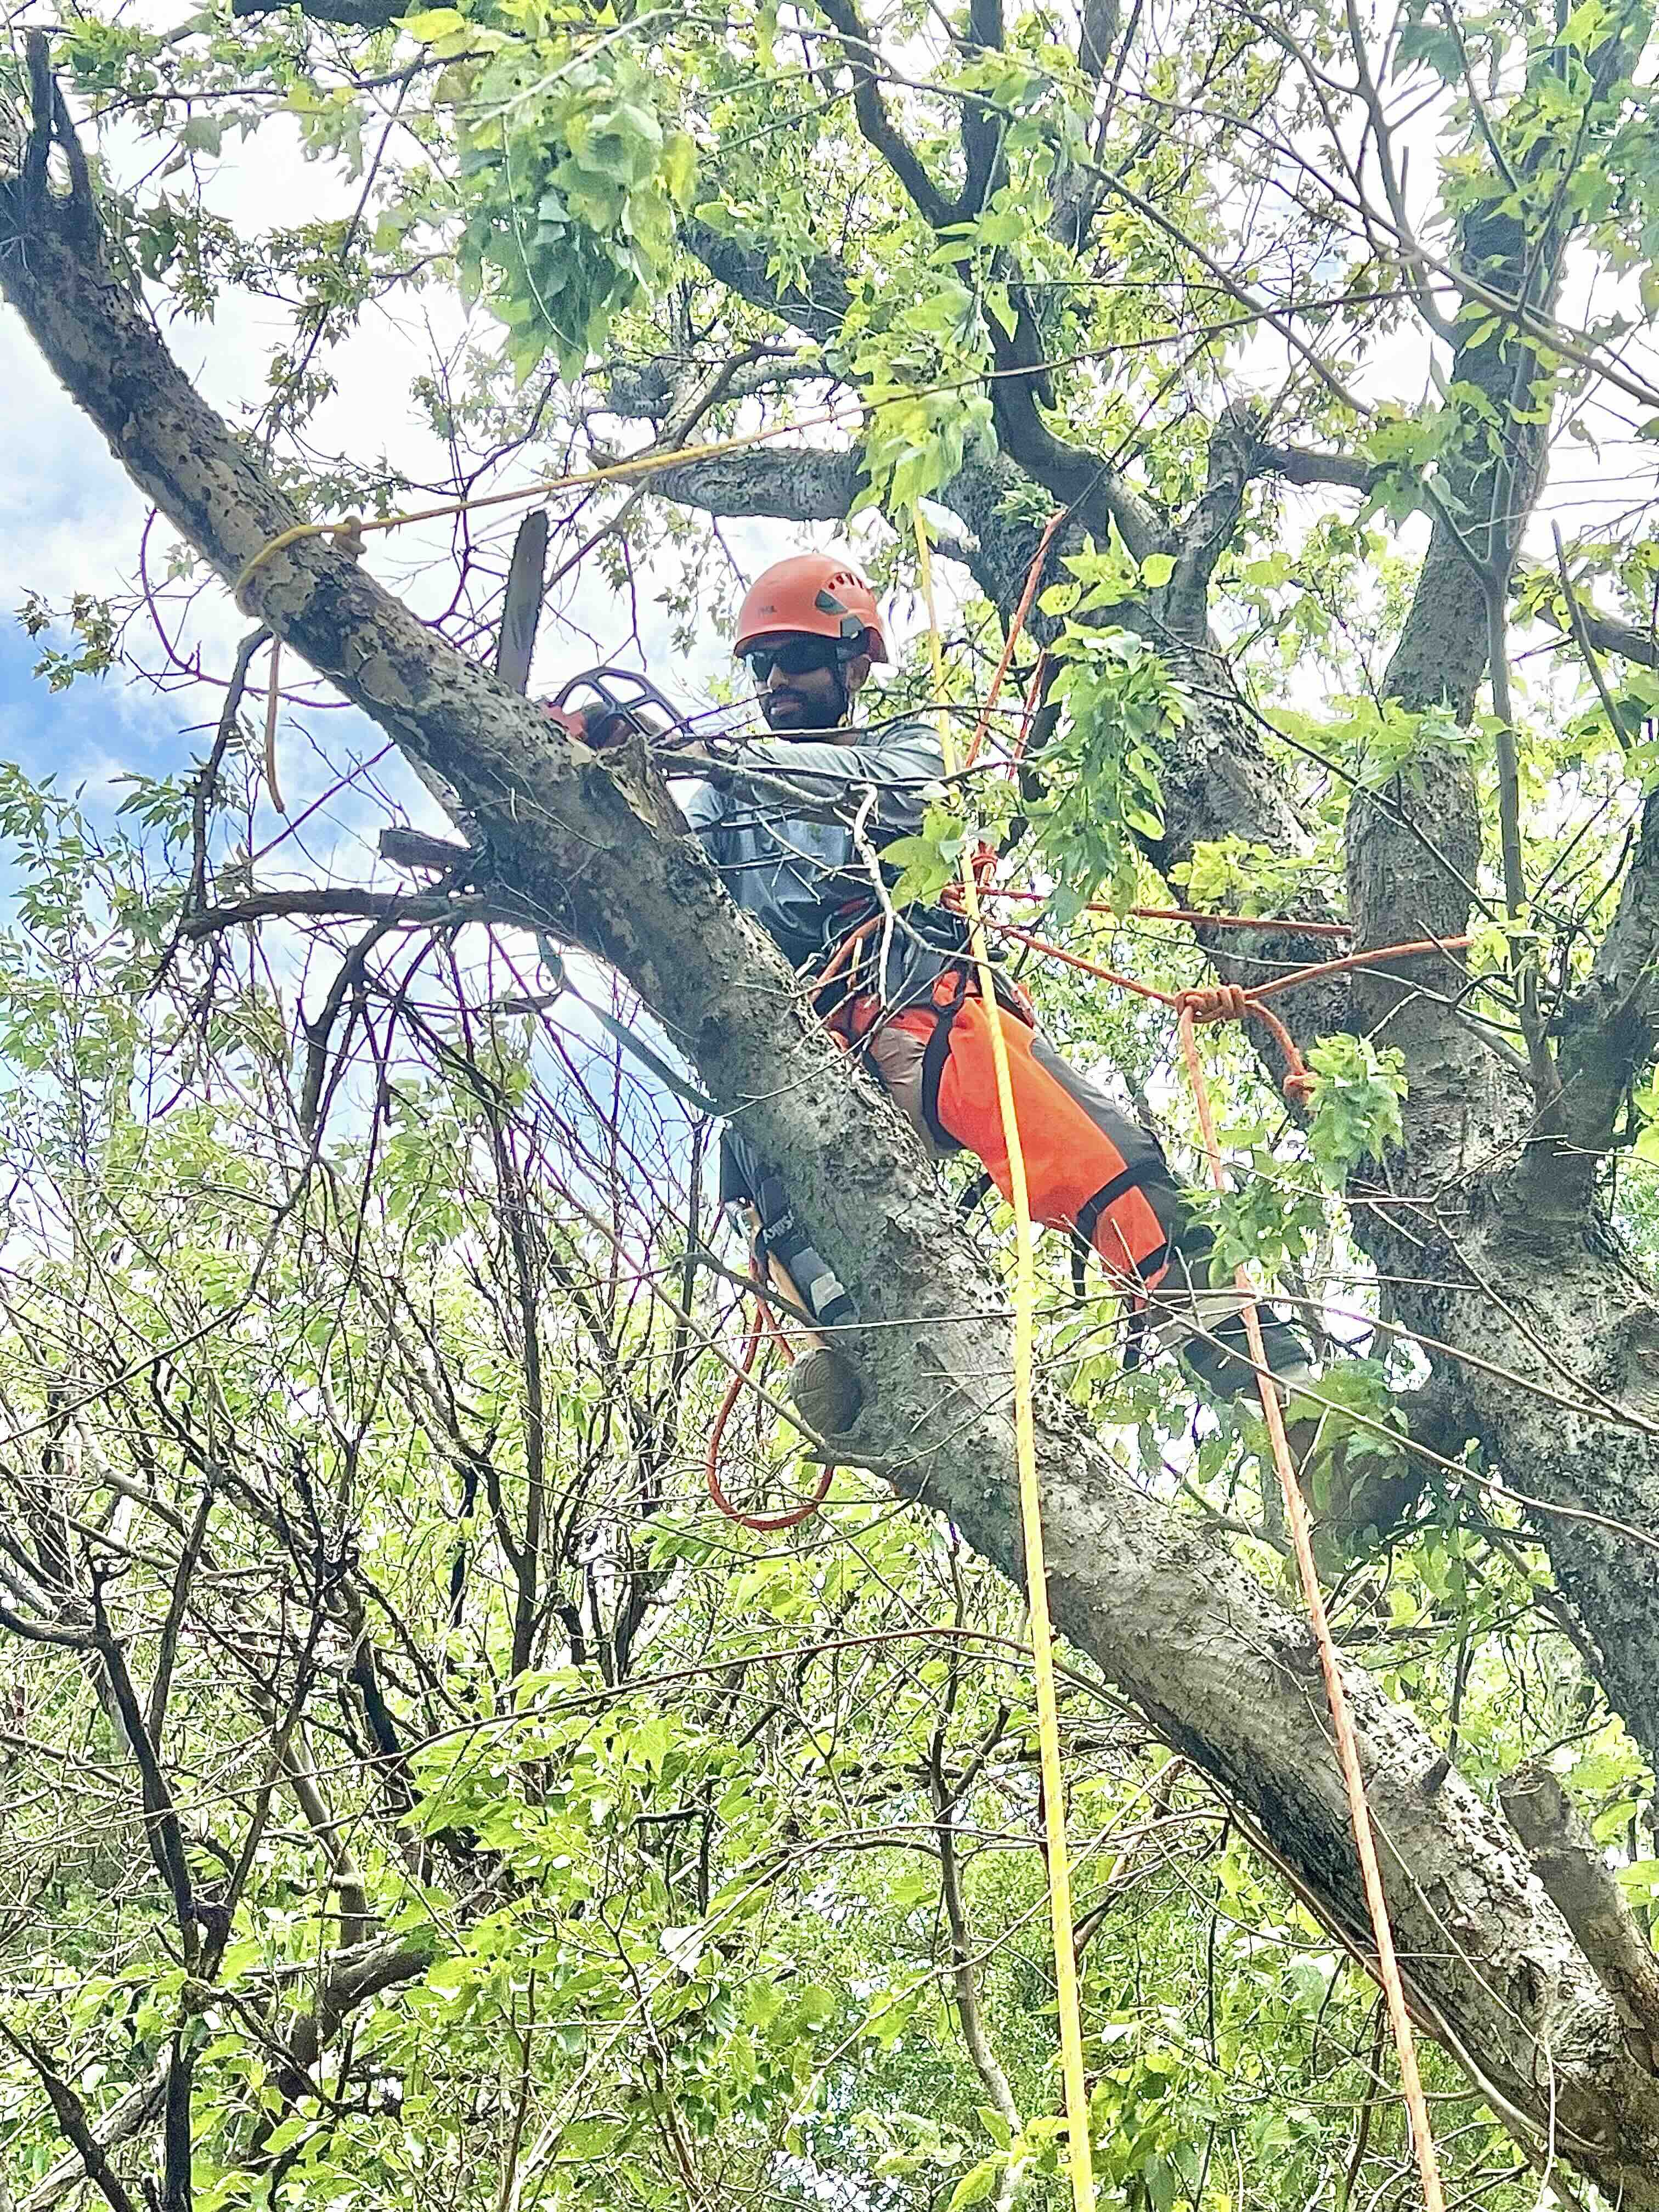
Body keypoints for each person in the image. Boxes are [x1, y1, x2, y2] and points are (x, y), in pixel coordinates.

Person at [568, 550, 1313, 1436]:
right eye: (760, 665)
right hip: (799, 1044)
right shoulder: (719, 806)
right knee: (777, 1208)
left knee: (1094, 1150)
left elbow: (899, 798)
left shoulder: (906, 747)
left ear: (852, 661)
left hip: (917, 1004)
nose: (774, 682)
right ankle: (846, 1354)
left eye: (795, 659)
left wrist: (711, 756)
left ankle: (1270, 1378)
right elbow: (659, 868)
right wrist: (604, 778)